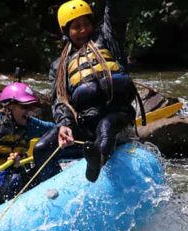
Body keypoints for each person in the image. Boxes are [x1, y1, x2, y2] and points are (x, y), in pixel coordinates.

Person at [34, 0, 141, 182]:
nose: (83, 30)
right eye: (77, 27)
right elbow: (60, 100)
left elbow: (116, 11)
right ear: (67, 31)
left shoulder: (108, 39)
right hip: (86, 122)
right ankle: (52, 188)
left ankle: (97, 160)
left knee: (105, 127)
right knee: (42, 148)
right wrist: (64, 125)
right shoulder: (59, 66)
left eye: (86, 24)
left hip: (117, 116)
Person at [0, 82, 56, 198]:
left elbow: (54, 128)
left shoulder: (30, 123)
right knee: (15, 179)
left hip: (12, 174)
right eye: (24, 107)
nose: (29, 112)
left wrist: (66, 128)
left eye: (31, 107)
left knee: (31, 172)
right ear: (11, 105)